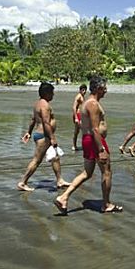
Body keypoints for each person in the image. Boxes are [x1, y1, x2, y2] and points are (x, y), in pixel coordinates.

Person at [53, 76, 123, 215]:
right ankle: (106, 204)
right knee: (107, 172)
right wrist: (101, 149)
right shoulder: (92, 104)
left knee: (87, 173)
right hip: (94, 141)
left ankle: (63, 197)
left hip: (88, 140)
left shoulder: (88, 103)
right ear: (97, 88)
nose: (106, 91)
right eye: (104, 88)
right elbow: (95, 128)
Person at [17, 82, 69, 192]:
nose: (53, 95)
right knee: (37, 160)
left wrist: (29, 132)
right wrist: (52, 137)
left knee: (55, 157)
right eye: (52, 93)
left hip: (40, 134)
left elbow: (33, 119)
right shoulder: (45, 105)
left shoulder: (37, 104)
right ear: (46, 93)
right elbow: (46, 122)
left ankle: (59, 180)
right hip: (43, 136)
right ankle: (23, 182)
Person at [71, 84, 87, 151]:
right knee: (81, 131)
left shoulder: (82, 97)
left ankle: (76, 145)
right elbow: (74, 107)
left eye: (85, 90)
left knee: (78, 131)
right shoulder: (78, 97)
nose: (84, 91)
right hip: (78, 115)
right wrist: (76, 118)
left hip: (81, 115)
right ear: (80, 90)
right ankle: (74, 146)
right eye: (83, 90)